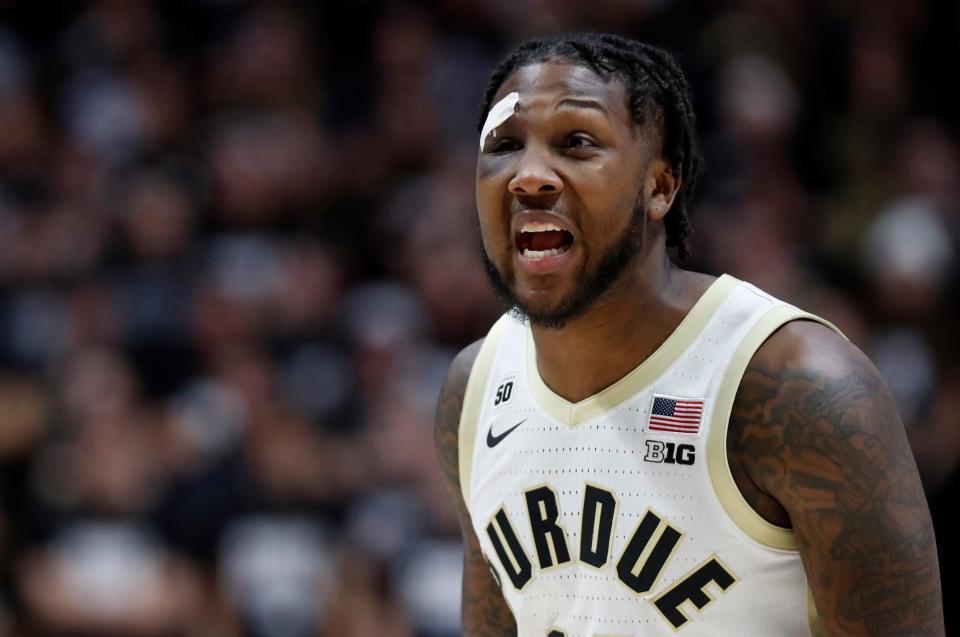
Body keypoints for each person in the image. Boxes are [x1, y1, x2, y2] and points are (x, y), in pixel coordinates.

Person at [433, 33, 944, 636]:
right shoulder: (475, 388)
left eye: (576, 143)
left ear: (659, 187)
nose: (530, 176)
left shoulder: (797, 387)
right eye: (505, 146)